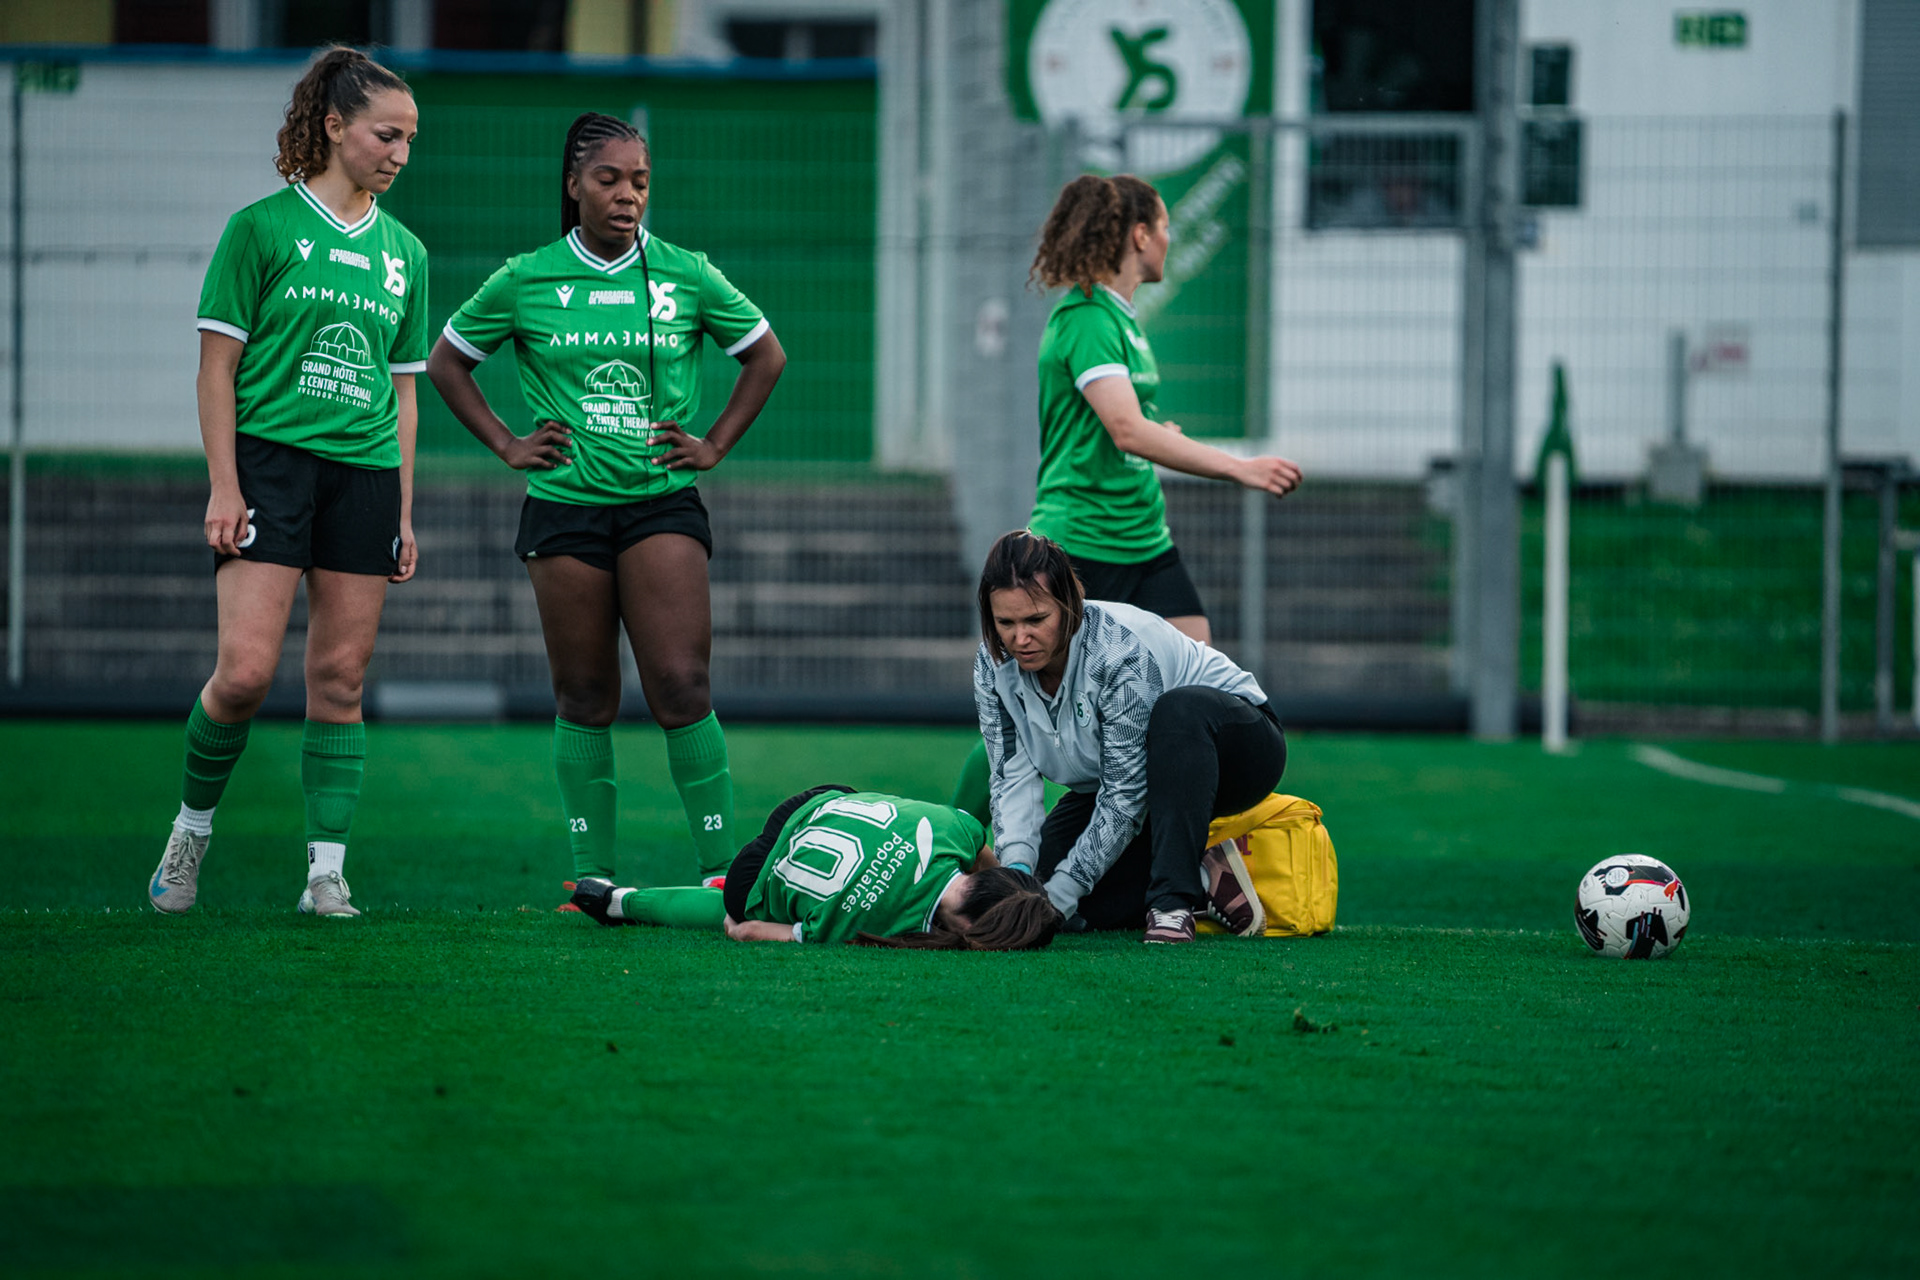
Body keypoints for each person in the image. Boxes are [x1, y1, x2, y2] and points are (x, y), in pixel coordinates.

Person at [427, 112, 785, 903]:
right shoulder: (527, 277)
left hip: (661, 503)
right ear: (573, 186)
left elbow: (766, 354)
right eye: (610, 180)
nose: (628, 197)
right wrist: (507, 444)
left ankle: (724, 874)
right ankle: (592, 873)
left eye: (641, 182)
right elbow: (447, 361)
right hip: (563, 510)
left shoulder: (686, 273)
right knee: (585, 696)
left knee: (681, 684)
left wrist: (715, 444)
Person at [149, 47, 427, 918]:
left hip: (367, 477)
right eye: (387, 134)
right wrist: (224, 486)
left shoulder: (406, 254)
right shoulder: (261, 228)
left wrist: (404, 512)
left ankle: (325, 874)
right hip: (270, 466)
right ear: (334, 125)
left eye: (411, 139)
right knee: (243, 675)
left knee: (340, 678)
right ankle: (190, 833)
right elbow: (215, 369)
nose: (400, 154)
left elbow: (404, 391)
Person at [952, 173, 1303, 821]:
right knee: (1025, 707)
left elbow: (1119, 427)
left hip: (1144, 539)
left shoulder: (1117, 317)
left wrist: (1154, 432)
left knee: (1193, 691)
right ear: (1138, 235)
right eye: (1164, 226)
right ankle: (957, 842)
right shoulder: (1086, 317)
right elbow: (1123, 429)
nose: (1169, 237)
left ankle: (1175, 850)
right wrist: (1241, 469)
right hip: (1084, 537)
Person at [974, 530, 1285, 944]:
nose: (1020, 639)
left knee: (1178, 711)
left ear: (1070, 606)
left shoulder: (1120, 652)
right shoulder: (992, 663)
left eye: (1036, 619)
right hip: (1125, 781)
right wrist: (1019, 888)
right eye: (1005, 623)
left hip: (1236, 749)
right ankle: (1204, 872)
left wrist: (1061, 896)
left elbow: (1125, 795)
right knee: (1052, 884)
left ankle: (1173, 902)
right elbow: (1011, 777)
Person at [568, 785, 1063, 950]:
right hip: (751, 874)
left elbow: (979, 850)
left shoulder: (958, 829)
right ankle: (619, 902)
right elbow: (750, 933)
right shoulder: (879, 926)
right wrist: (740, 924)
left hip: (813, 800)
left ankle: (612, 895)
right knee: (730, 910)